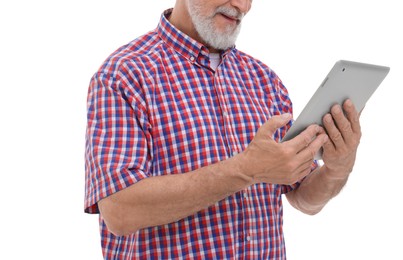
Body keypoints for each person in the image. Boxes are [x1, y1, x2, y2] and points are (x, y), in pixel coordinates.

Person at [84, 0, 362, 259]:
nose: (242, 6)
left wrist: (338, 167)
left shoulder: (264, 80)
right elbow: (119, 210)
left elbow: (302, 197)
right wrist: (245, 169)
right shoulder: (124, 74)